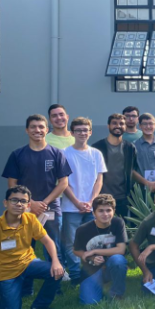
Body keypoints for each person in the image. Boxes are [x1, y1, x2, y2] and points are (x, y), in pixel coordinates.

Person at [0, 186, 64, 309]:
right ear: (5, 203)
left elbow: (48, 241)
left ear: (28, 205)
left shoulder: (30, 219)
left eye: (23, 201)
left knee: (58, 271)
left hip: (28, 263)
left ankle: (40, 307)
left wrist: (55, 261)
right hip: (6, 272)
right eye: (14, 200)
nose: (19, 204)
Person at [2, 114, 71, 261]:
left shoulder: (57, 153)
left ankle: (56, 272)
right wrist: (30, 203)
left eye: (41, 127)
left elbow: (63, 182)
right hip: (23, 208)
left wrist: (44, 203)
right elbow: (12, 184)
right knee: (22, 246)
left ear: (47, 130)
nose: (37, 130)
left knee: (54, 247)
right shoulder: (17, 154)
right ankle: (24, 272)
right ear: (27, 130)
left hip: (50, 208)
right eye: (33, 127)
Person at [61, 117, 107, 284]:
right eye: (78, 130)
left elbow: (99, 180)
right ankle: (75, 275)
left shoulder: (96, 153)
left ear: (90, 132)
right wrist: (76, 202)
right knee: (71, 243)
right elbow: (63, 182)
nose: (82, 133)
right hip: (70, 207)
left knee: (93, 242)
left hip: (91, 207)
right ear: (72, 133)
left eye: (85, 130)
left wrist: (92, 201)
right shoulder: (64, 153)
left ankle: (90, 272)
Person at [73, 194, 127, 304]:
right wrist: (92, 258)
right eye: (101, 211)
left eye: (108, 210)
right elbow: (76, 250)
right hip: (92, 269)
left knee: (118, 260)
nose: (105, 214)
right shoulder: (83, 230)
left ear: (114, 211)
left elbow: (121, 249)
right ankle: (97, 286)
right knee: (89, 302)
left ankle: (117, 294)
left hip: (111, 265)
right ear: (94, 213)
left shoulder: (118, 223)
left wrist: (94, 251)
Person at [92, 113, 142, 218]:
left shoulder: (130, 148)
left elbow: (133, 170)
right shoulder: (97, 147)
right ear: (108, 126)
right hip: (102, 197)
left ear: (125, 126)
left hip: (122, 197)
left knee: (121, 225)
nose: (118, 126)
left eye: (121, 124)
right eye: (114, 123)